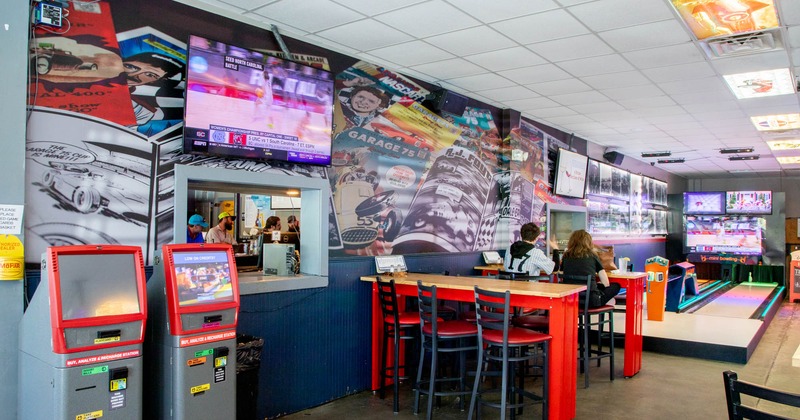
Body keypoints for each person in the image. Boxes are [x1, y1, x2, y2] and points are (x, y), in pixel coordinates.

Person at [560, 229, 620, 308]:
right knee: (616, 286)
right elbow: (606, 283)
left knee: (595, 287)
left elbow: (561, 273)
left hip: (571, 300)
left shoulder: (566, 256)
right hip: (591, 301)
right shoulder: (592, 255)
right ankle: (603, 300)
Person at [123, 52, 185, 127]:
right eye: (130, 67)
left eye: (150, 75)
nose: (133, 75)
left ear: (154, 82)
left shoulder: (141, 111)